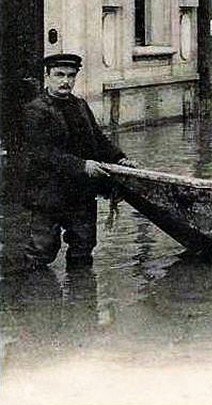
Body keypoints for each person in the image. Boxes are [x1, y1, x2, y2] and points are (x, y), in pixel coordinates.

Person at [20, 53, 139, 269]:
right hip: (48, 194)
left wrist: (119, 158)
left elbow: (98, 139)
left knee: (83, 248)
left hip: (81, 193)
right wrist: (82, 165)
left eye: (71, 76)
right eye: (59, 75)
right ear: (47, 76)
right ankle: (35, 289)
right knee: (41, 251)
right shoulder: (35, 110)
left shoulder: (80, 105)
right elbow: (43, 152)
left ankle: (81, 289)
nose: (65, 81)